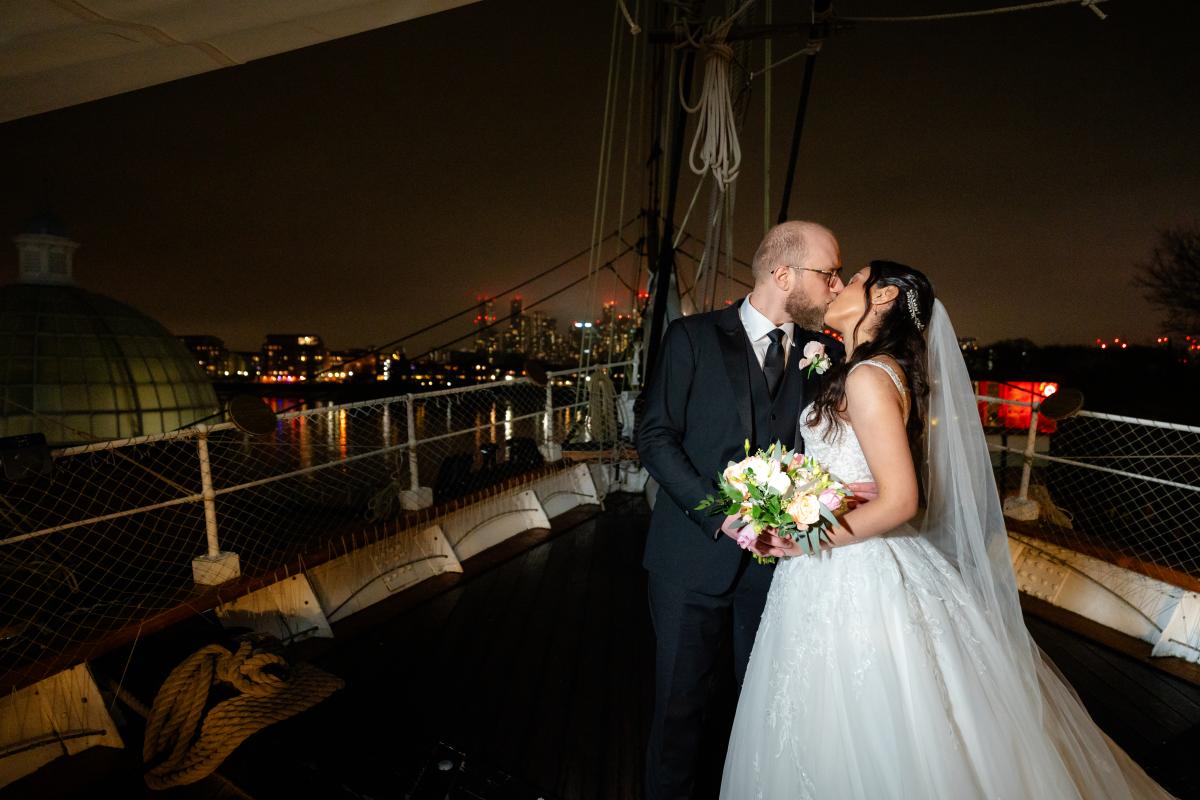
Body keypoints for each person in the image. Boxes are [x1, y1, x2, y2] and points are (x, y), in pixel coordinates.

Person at [720, 260, 1176, 799]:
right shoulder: (867, 369)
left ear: (884, 297)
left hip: (852, 568)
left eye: (855, 278)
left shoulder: (868, 377)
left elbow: (902, 499)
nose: (838, 285)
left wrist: (808, 538)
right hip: (838, 562)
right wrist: (785, 500)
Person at [637, 221, 852, 800]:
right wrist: (719, 515)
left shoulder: (826, 353)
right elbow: (655, 438)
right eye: (826, 272)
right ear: (783, 274)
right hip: (690, 561)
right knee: (680, 713)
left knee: (760, 709)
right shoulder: (691, 338)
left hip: (781, 570)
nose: (834, 285)